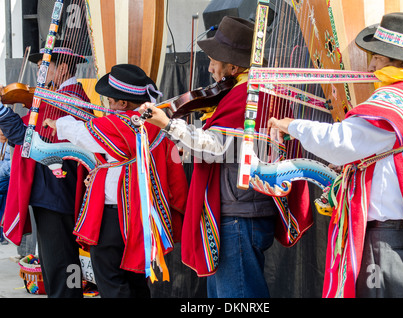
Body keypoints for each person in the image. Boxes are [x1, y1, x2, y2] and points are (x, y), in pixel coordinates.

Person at [268, 12, 403, 298]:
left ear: (396, 61)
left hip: (386, 241)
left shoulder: (395, 101)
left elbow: (341, 142)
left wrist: (290, 124)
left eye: (377, 56)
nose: (372, 64)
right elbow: (386, 156)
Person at [139, 16, 311, 298]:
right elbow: (233, 148)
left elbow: (217, 146)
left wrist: (168, 124)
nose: (210, 68)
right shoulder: (252, 91)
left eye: (214, 60)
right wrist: (189, 145)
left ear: (233, 66)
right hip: (242, 212)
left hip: (239, 216)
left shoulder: (245, 94)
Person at [44, 64, 188, 298]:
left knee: (110, 281)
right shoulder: (156, 127)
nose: (107, 106)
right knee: (136, 280)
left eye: (110, 101)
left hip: (113, 217)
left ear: (123, 104)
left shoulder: (123, 124)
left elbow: (84, 134)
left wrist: (57, 124)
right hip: (144, 219)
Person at [0, 41, 91, 297]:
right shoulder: (59, 97)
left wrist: (4, 115)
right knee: (56, 266)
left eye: (43, 67)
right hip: (54, 193)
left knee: (61, 265)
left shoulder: (65, 99)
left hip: (56, 192)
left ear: (62, 69)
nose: (39, 74)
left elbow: (27, 139)